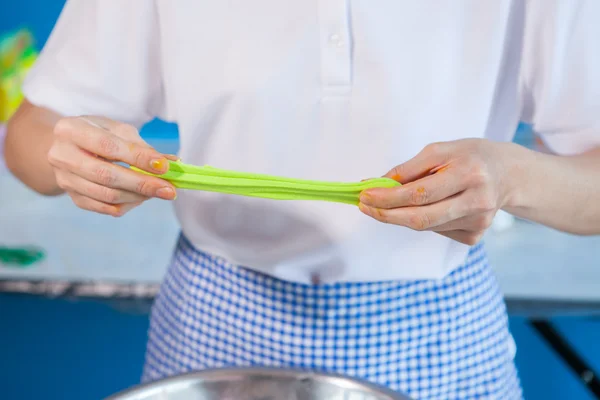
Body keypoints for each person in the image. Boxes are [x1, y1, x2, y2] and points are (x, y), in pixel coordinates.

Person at [4, 1, 600, 398]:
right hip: (214, 319)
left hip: (439, 326)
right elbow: (31, 138)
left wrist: (510, 174)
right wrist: (75, 156)